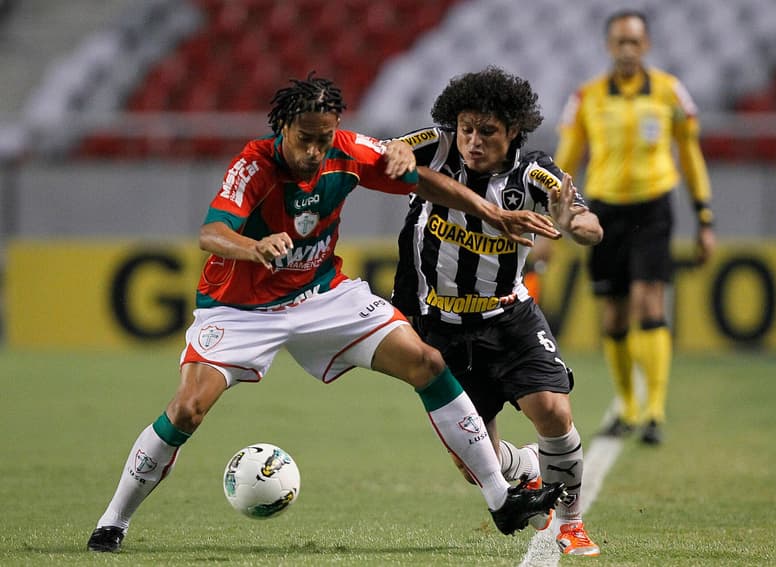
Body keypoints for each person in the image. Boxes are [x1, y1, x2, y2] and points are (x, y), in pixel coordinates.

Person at [85, 73, 569, 553]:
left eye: (323, 139)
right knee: (187, 409)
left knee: (427, 363)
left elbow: (424, 181)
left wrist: (494, 214)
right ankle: (114, 521)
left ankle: (500, 498)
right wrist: (253, 247)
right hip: (239, 308)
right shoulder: (254, 166)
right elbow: (210, 233)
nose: (314, 152)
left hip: (321, 296)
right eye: (305, 140)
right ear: (283, 130)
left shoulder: (346, 151)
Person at [391, 66, 603, 557]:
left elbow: (587, 222)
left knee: (551, 410)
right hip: (440, 328)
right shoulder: (437, 147)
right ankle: (530, 466)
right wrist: (395, 150)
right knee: (474, 467)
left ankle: (571, 522)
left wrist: (571, 220)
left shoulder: (532, 173)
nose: (473, 140)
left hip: (507, 318)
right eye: (467, 128)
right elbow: (389, 151)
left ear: (513, 132)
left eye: (487, 131)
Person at [553, 9, 716, 445]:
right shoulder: (586, 98)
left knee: (649, 300)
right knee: (614, 311)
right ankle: (626, 406)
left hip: (653, 204)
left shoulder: (669, 93)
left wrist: (705, 216)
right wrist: (552, 220)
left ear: (646, 46)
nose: (627, 49)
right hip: (604, 210)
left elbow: (691, 155)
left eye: (634, 42)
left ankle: (655, 412)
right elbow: (565, 162)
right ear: (609, 46)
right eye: (620, 41)